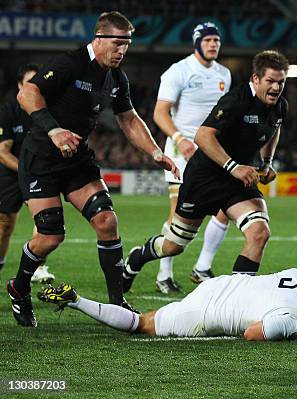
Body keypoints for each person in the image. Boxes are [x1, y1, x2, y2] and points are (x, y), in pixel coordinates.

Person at [6, 11, 179, 328]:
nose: (122, 50)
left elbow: (128, 119)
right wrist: (54, 131)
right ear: (98, 40)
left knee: (106, 220)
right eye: (117, 43)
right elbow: (26, 93)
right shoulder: (69, 64)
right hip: (41, 159)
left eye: (127, 44)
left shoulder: (117, 78)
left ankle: (118, 303)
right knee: (50, 236)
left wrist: (155, 151)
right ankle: (18, 289)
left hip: (77, 160)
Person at [122, 50, 289, 292]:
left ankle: (234, 301)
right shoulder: (236, 100)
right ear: (255, 79)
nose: (276, 87)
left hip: (237, 180)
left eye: (281, 82)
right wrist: (233, 167)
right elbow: (202, 135)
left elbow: (274, 129)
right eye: (270, 81)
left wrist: (266, 161)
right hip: (205, 178)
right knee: (174, 245)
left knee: (259, 233)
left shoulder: (279, 106)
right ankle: (137, 258)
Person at [38, 268, 297, 340]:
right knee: (140, 324)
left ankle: (78, 300)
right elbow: (253, 334)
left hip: (221, 284)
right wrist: (295, 333)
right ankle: (77, 300)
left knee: (150, 316)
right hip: (206, 315)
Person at [153, 22, 233, 294]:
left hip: (211, 151)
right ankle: (164, 274)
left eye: (217, 40)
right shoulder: (179, 71)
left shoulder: (225, 74)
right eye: (208, 40)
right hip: (182, 151)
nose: (213, 44)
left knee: (226, 207)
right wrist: (180, 139)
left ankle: (202, 268)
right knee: (178, 213)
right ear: (197, 42)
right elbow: (160, 113)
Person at [0, 63, 55, 284]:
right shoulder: (8, 111)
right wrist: (25, 170)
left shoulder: (47, 110)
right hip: (12, 172)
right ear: (19, 86)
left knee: (45, 219)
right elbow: (2, 152)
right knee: (4, 225)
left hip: (39, 172)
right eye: (28, 83)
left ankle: (39, 266)